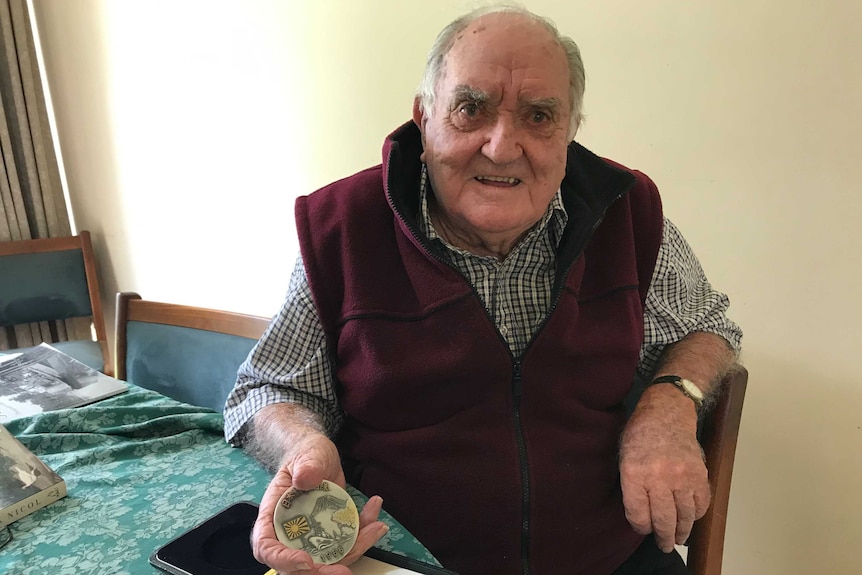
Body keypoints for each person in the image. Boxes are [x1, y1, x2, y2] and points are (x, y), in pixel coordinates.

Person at [224, 5, 742, 575]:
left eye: (540, 116)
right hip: (406, 559)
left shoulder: (626, 211)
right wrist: (302, 448)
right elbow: (265, 392)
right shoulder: (342, 228)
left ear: (569, 131)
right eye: (471, 109)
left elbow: (709, 326)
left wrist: (668, 406)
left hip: (605, 559)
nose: (501, 147)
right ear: (424, 119)